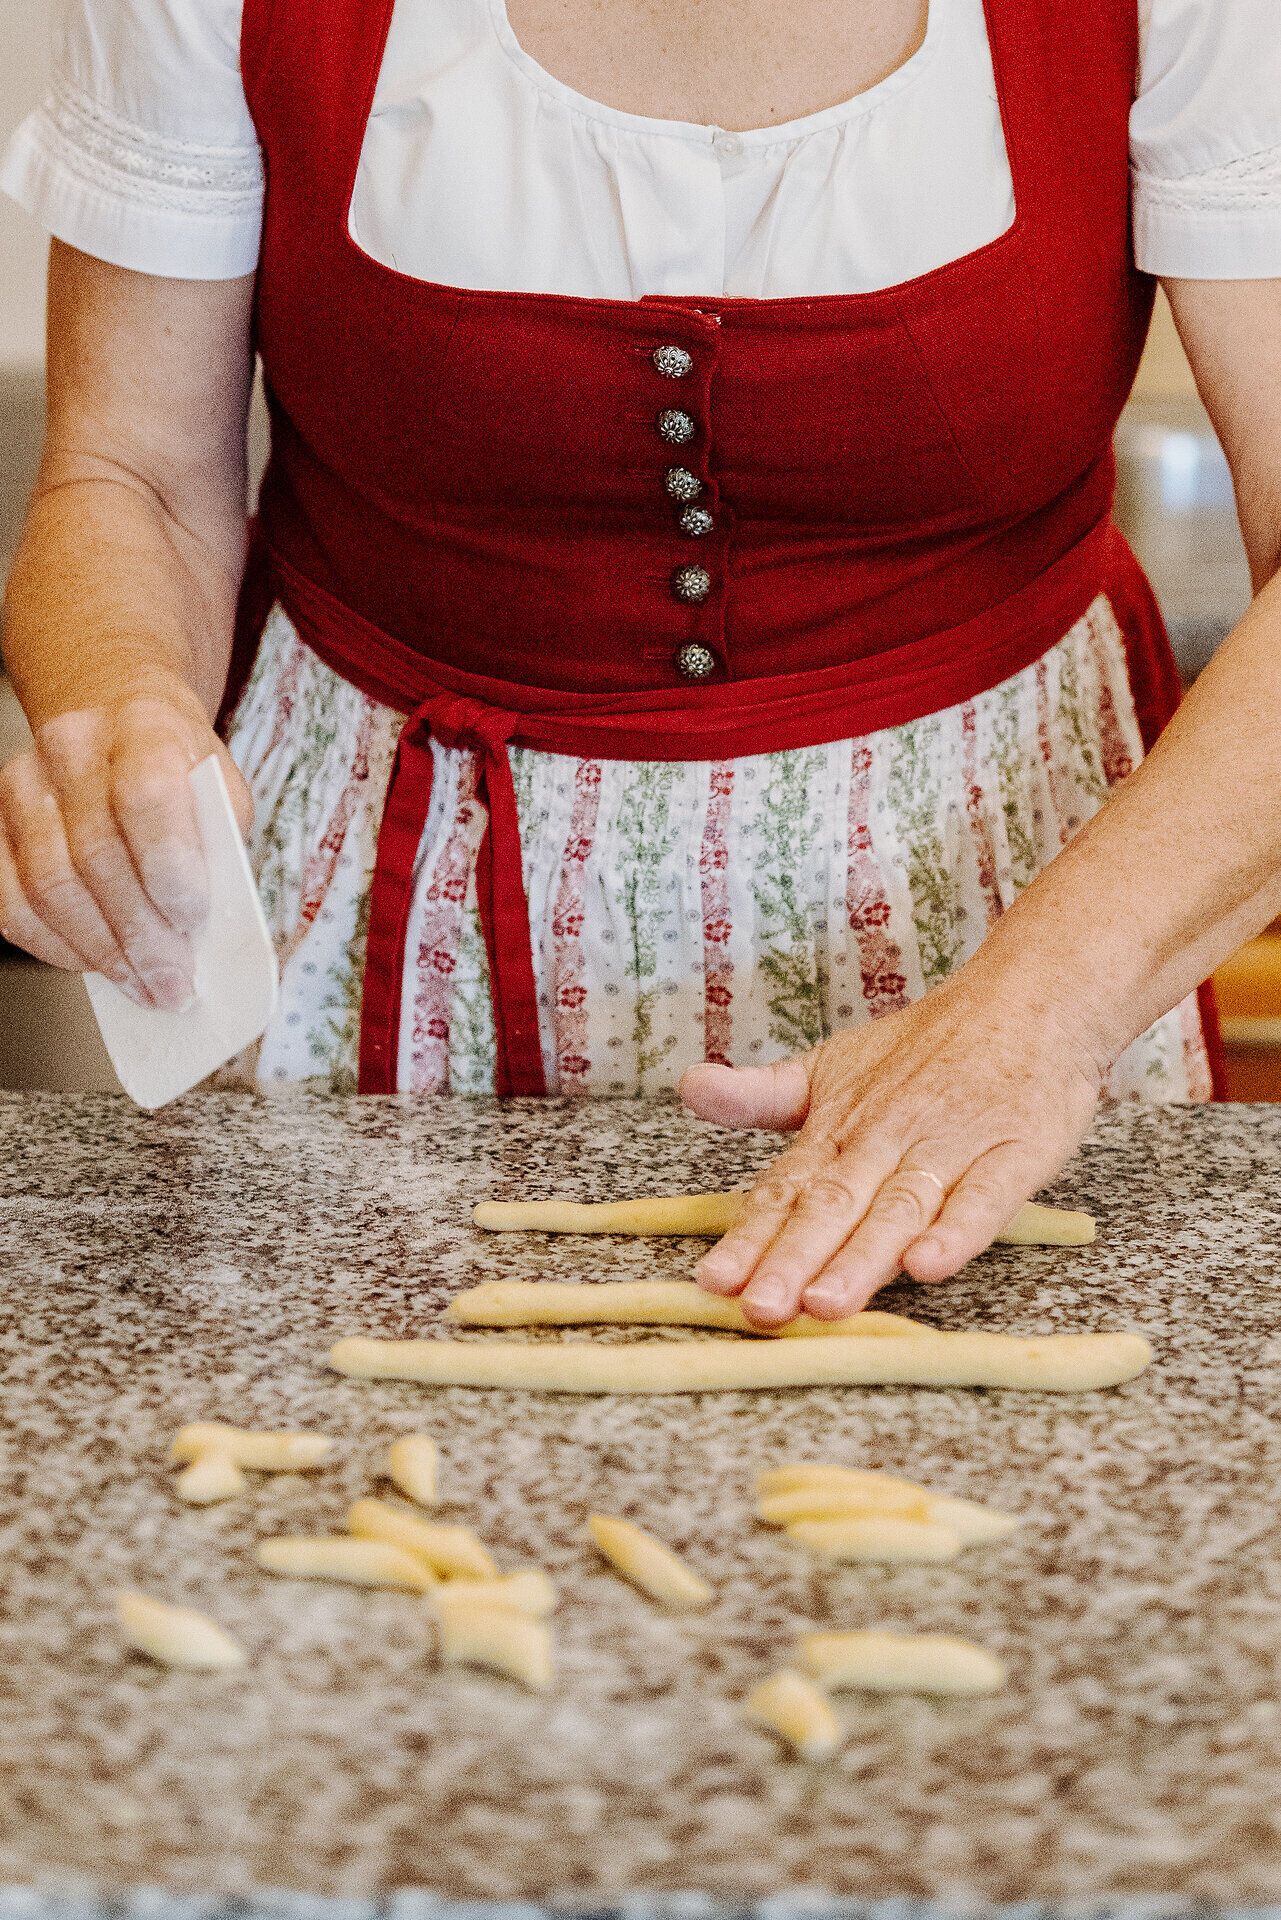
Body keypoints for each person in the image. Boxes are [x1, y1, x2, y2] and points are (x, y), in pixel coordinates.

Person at [1, 0, 1280, 1329]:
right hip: (382, 913)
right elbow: (129, 473)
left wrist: (1032, 1020)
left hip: (1011, 925)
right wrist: (118, 709)